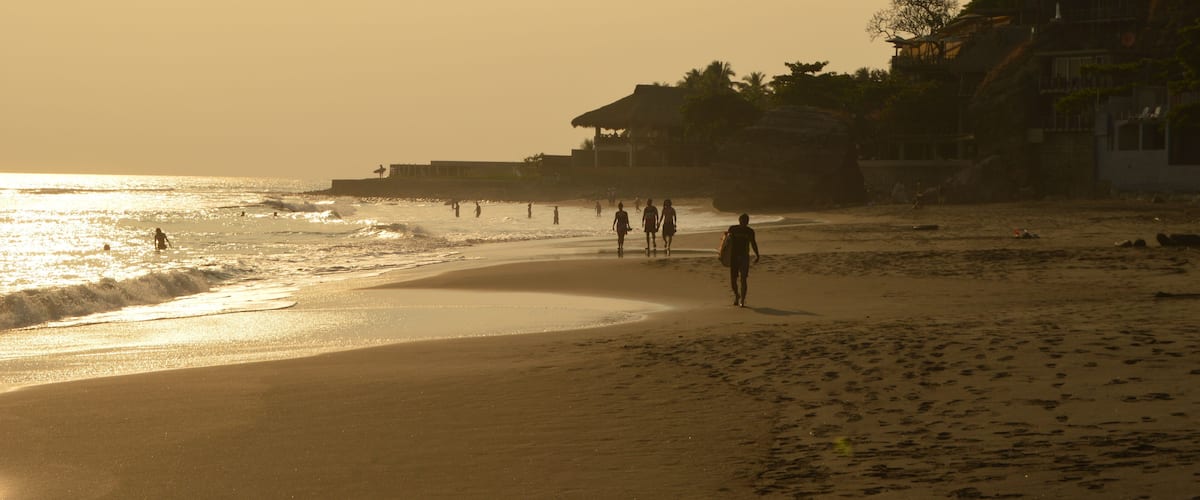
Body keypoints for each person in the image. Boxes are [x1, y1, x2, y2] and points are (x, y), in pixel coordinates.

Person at [725, 213, 760, 307]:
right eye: (743, 220)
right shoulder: (733, 229)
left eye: (746, 221)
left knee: (743, 279)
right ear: (739, 220)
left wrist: (757, 254)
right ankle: (737, 295)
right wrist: (723, 254)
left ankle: (743, 300)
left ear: (748, 222)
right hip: (733, 257)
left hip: (744, 257)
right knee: (733, 280)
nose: (744, 222)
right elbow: (726, 242)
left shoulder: (750, 231)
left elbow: (753, 243)